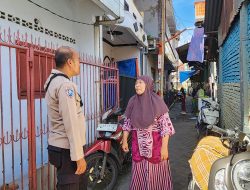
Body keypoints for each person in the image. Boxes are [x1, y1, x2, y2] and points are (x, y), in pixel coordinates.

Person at [44, 46, 87, 190]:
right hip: (68, 150)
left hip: (61, 148)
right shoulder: (65, 86)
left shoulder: (53, 81)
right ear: (70, 62)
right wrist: (78, 157)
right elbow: (71, 123)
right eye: (78, 60)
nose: (79, 64)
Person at [122, 75, 175, 190]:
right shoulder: (132, 101)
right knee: (139, 172)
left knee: (156, 174)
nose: (137, 85)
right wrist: (124, 140)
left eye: (141, 82)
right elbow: (127, 123)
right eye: (136, 83)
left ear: (148, 85)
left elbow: (166, 127)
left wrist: (164, 148)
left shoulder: (157, 102)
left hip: (155, 147)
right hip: (138, 146)